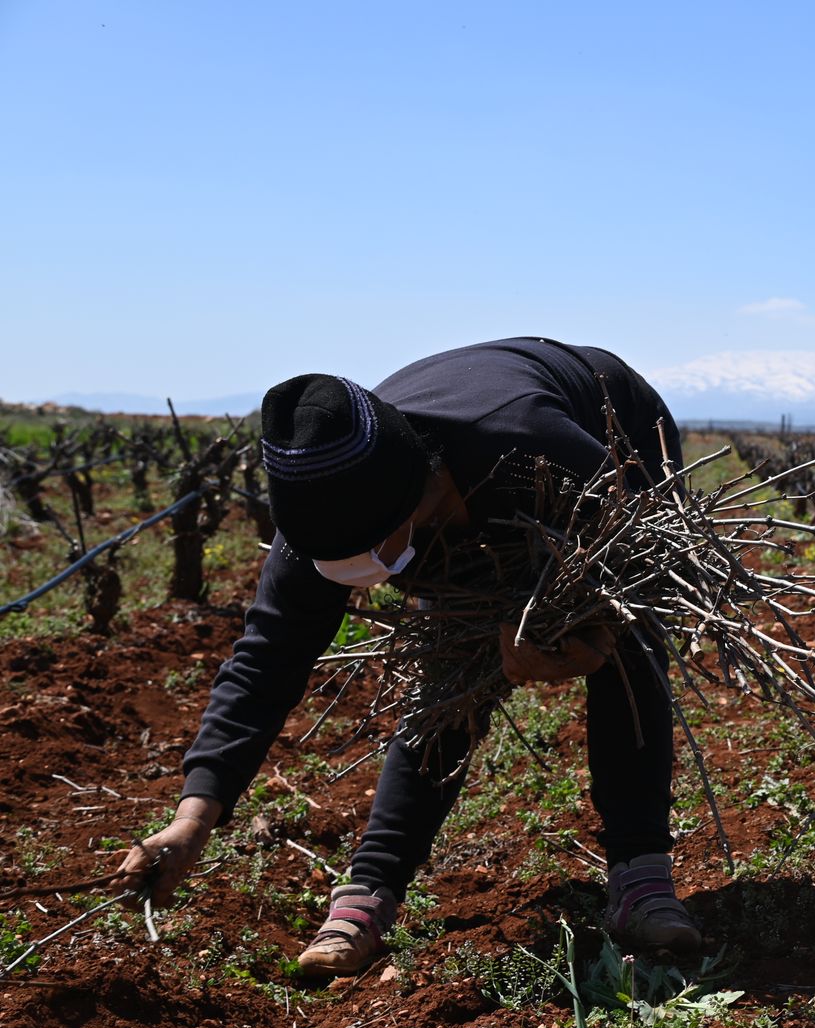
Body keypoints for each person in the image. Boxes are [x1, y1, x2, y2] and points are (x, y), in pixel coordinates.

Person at [111, 337, 701, 976]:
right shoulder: (320, 506)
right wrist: (193, 817)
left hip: (614, 432)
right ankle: (369, 891)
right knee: (450, 681)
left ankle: (640, 872)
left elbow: (632, 574)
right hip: (459, 491)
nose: (363, 572)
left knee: (630, 654)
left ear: (423, 490)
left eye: (373, 554)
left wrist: (558, 626)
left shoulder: (532, 447)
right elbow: (264, 662)